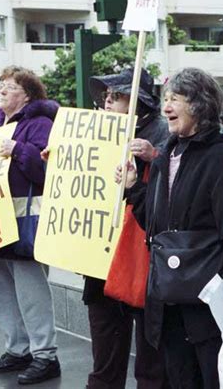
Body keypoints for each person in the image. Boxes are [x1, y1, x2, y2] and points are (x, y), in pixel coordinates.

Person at [121, 68, 223, 388]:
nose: (166, 107)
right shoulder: (163, 159)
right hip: (169, 300)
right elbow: (156, 227)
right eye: (165, 99)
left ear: (199, 105)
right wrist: (134, 189)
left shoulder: (221, 157)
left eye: (176, 99)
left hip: (208, 301)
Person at [84, 67, 170, 389]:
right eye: (106, 96)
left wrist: (154, 156)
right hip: (101, 258)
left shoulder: (162, 135)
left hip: (140, 261)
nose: (107, 101)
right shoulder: (97, 134)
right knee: (104, 352)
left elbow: (178, 181)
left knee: (150, 360)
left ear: (139, 103)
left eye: (116, 96)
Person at [0, 66, 60, 386]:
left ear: (27, 94)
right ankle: (17, 347)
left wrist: (19, 150)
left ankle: (45, 354)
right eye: (0, 85)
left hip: (25, 216)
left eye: (9, 86)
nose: (1, 90)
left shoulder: (40, 124)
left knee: (31, 289)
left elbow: (48, 169)